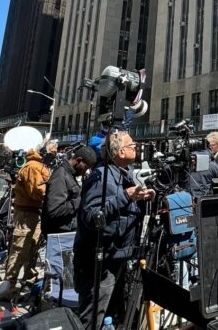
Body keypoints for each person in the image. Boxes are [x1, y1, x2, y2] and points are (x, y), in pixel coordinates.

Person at [74, 130, 154, 328]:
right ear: (118, 152)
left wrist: (142, 200)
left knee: (111, 311)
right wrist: (126, 197)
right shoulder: (101, 177)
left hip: (115, 257)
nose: (135, 147)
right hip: (98, 262)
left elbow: (124, 212)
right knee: (92, 317)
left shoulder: (121, 175)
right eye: (131, 145)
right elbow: (92, 218)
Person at [4, 148, 51, 286]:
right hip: (27, 213)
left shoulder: (34, 166)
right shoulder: (33, 167)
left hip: (31, 212)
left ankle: (28, 277)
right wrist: (53, 195)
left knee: (32, 246)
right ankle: (9, 285)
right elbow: (37, 189)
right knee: (20, 249)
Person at [42, 144, 97, 234]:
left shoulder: (70, 175)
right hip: (58, 234)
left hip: (65, 232)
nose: (85, 172)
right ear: (78, 161)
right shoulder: (60, 176)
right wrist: (81, 200)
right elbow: (54, 210)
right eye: (85, 167)